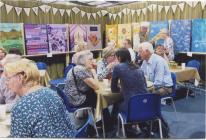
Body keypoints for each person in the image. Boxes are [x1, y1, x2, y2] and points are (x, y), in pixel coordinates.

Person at [4, 58, 76, 138]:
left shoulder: (21, 107)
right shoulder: (52, 93)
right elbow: (70, 126)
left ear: (20, 78)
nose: (6, 83)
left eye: (8, 79)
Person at [111, 48, 148, 112]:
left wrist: (121, 88)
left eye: (116, 58)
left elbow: (113, 89)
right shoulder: (138, 68)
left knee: (116, 103)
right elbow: (145, 85)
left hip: (132, 105)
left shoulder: (118, 67)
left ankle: (113, 121)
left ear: (119, 58)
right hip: (146, 103)